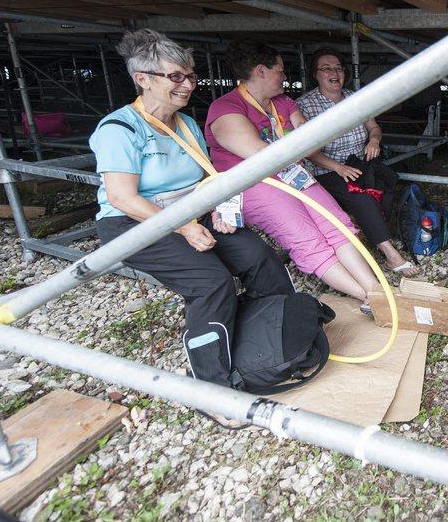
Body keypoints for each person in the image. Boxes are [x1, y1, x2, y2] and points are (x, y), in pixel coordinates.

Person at [89, 30, 295, 426]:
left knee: (260, 257)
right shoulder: (120, 129)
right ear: (143, 79)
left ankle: (272, 342)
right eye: (175, 77)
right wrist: (184, 228)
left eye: (191, 77)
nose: (186, 85)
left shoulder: (185, 124)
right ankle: (210, 389)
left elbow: (208, 178)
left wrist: (220, 207)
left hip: (190, 214)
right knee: (211, 282)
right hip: (134, 223)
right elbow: (122, 198)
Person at [205, 40, 381, 310]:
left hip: (290, 173)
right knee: (307, 239)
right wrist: (296, 145)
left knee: (337, 223)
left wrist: (297, 146)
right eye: (281, 71)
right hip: (255, 184)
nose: (285, 77)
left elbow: (312, 142)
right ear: (261, 71)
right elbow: (262, 157)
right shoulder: (227, 108)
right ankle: (366, 297)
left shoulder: (283, 102)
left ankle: (375, 290)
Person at [297, 47, 418, 276]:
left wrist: (374, 140)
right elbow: (305, 150)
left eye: (338, 68)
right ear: (315, 74)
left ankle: (369, 231)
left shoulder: (356, 98)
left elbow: (373, 127)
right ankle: (391, 254)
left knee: (387, 187)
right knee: (361, 197)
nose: (334, 73)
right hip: (326, 169)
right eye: (326, 68)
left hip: (358, 163)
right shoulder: (305, 105)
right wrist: (338, 167)